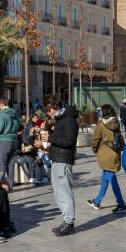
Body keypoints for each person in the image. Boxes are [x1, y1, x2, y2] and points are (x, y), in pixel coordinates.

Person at [44, 95, 80, 237]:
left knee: (65, 192)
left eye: (48, 109)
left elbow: (69, 141)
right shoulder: (60, 120)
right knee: (58, 193)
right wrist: (50, 132)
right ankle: (66, 220)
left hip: (63, 160)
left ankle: (69, 223)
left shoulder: (69, 120)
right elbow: (62, 138)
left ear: (55, 107)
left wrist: (51, 138)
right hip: (57, 158)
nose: (47, 112)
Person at [87, 104, 126, 213]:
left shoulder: (101, 124)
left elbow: (95, 140)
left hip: (105, 155)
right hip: (115, 153)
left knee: (113, 180)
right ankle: (97, 201)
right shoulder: (116, 122)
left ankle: (121, 204)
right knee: (105, 178)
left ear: (103, 112)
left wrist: (95, 151)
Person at [0, 98, 20, 187]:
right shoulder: (15, 113)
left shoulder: (2, 114)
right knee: (10, 164)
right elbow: (19, 126)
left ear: (1, 104)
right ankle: (10, 184)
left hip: (4, 141)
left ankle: (2, 184)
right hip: (14, 140)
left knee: (1, 163)